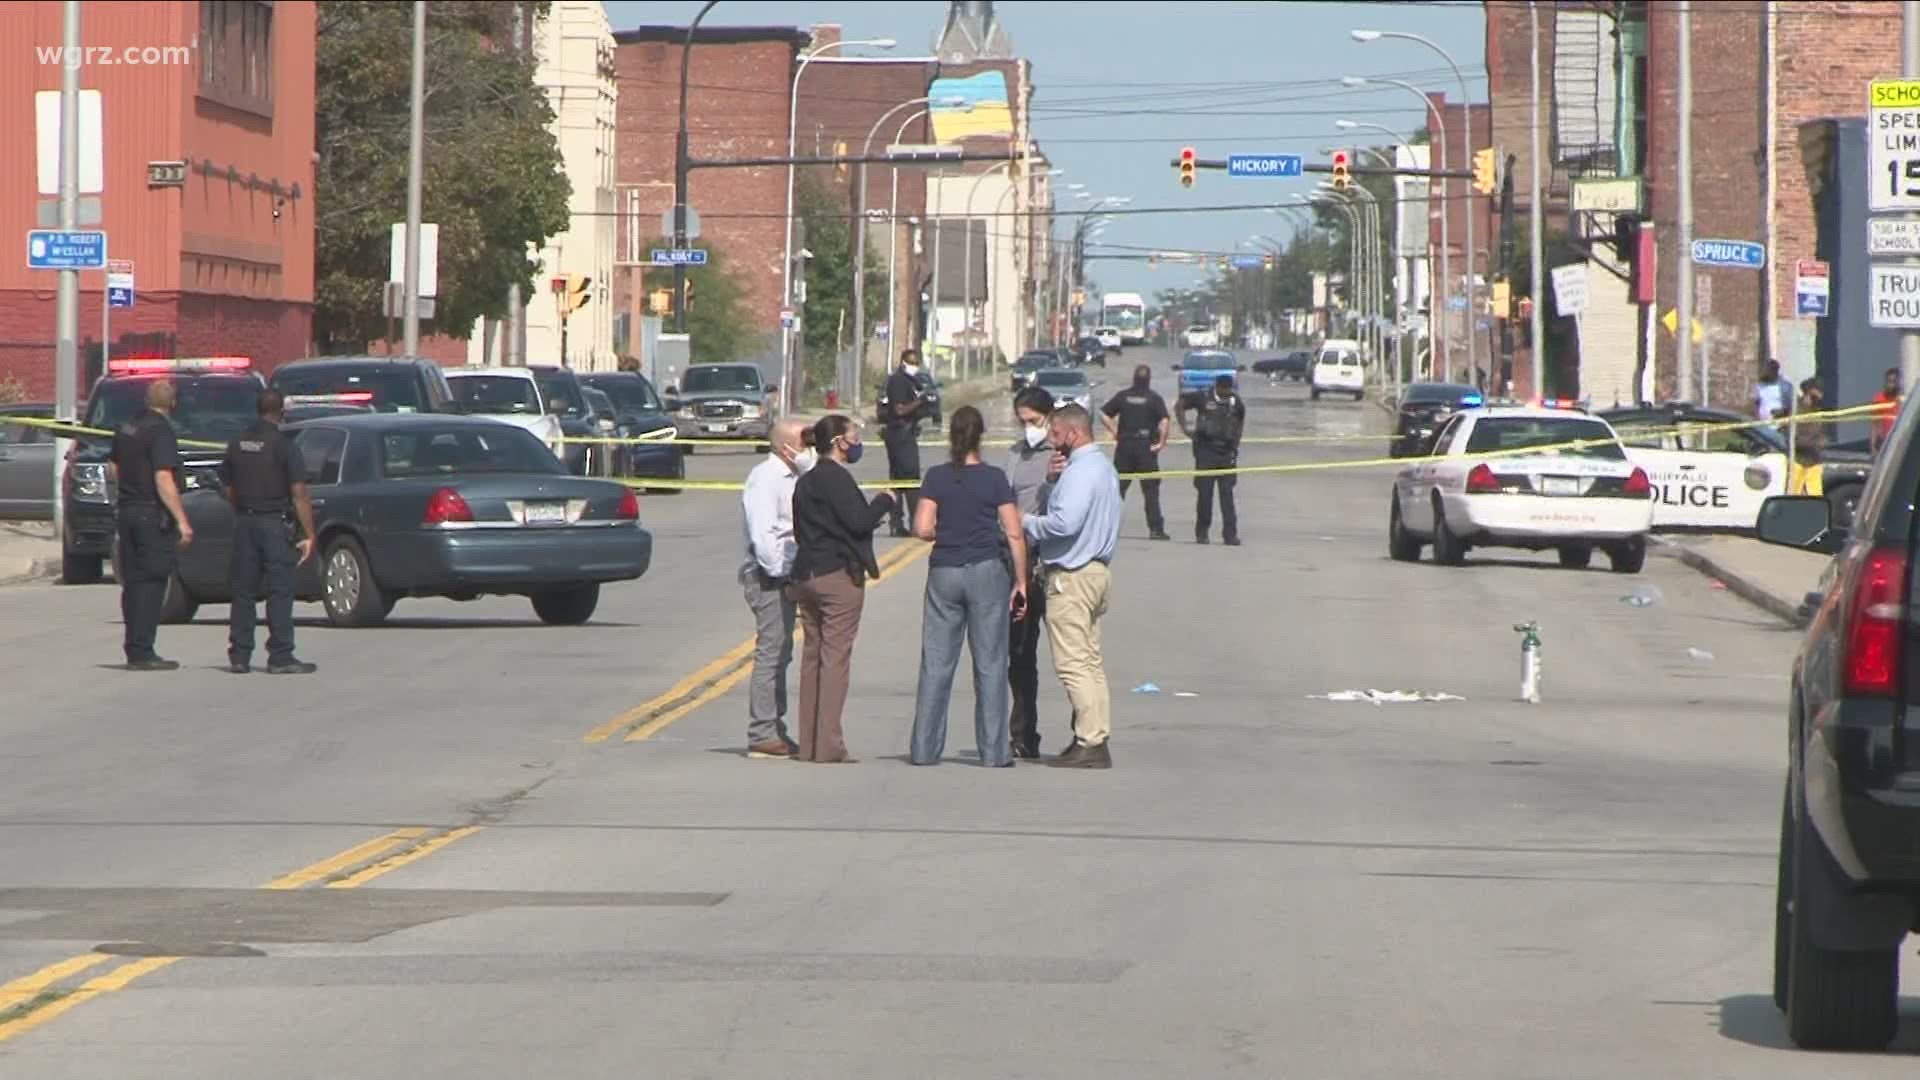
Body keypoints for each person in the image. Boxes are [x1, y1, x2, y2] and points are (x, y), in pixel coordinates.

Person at [908, 406, 1028, 767]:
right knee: (991, 662)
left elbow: (921, 527)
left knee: (937, 662)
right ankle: (993, 751)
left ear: (951, 437)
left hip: (945, 570)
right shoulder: (994, 479)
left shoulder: (937, 477)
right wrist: (1021, 580)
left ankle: (925, 749)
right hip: (986, 570)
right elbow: (1013, 532)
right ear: (982, 436)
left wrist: (944, 530)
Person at [787, 415, 896, 764]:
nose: (858, 440)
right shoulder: (837, 479)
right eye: (854, 435)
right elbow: (859, 521)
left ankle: (809, 744)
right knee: (835, 660)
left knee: (812, 659)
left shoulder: (806, 481)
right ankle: (829, 745)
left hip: (806, 574)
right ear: (839, 441)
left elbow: (800, 531)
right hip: (836, 576)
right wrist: (884, 501)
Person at [1022, 403, 1121, 769]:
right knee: (1090, 660)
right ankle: (1094, 733)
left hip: (1073, 575)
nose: (1053, 441)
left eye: (1057, 434)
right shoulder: (1101, 468)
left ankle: (1091, 741)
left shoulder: (1082, 472)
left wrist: (1026, 522)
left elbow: (1064, 523)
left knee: (1073, 663)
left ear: (1075, 432)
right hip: (1095, 572)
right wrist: (1050, 483)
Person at [222, 389, 318, 675]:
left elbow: (227, 486)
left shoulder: (238, 442)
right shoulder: (283, 445)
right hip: (273, 523)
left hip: (245, 523)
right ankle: (280, 655)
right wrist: (309, 533)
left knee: (243, 591)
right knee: (280, 590)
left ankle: (239, 655)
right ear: (281, 413)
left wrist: (242, 506)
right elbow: (299, 493)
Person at [738, 417, 813, 759]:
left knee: (783, 653)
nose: (810, 446)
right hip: (768, 576)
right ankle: (762, 732)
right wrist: (779, 573)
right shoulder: (766, 478)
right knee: (771, 653)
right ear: (786, 447)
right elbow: (764, 534)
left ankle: (775, 727)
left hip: (787, 573)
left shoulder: (796, 476)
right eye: (805, 440)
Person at [110, 379, 194, 671]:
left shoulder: (127, 426)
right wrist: (182, 521)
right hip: (149, 513)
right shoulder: (161, 431)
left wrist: (129, 487)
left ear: (146, 400)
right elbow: (163, 478)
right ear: (172, 404)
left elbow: (114, 466)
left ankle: (134, 647)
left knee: (132, 582)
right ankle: (144, 650)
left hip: (128, 511)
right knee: (152, 581)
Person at [1005, 386, 1056, 759]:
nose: (1028, 429)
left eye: (1034, 421)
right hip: (1014, 560)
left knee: (1066, 656)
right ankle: (1022, 733)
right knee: (1017, 654)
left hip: (1048, 561)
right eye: (1023, 422)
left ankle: (1083, 735)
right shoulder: (1014, 455)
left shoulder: (1061, 457)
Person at [1100, 364, 1172, 541]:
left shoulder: (1123, 396)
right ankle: (1155, 530)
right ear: (1148, 380)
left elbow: (1104, 413)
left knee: (1117, 490)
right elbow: (1164, 420)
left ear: (1134, 378)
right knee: (1150, 491)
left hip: (1125, 446)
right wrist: (1161, 443)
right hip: (1145, 447)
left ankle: (1107, 529)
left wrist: (1115, 431)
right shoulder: (1154, 398)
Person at [1175, 374, 1247, 546]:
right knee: (1205, 494)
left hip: (1226, 454)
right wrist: (1185, 429)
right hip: (1205, 452)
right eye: (1224, 391)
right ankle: (1202, 533)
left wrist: (1235, 447)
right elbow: (1180, 405)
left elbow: (1240, 422)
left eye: (1229, 392)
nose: (1227, 394)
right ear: (1218, 387)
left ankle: (1230, 535)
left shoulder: (1236, 402)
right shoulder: (1203, 397)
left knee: (1227, 496)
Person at [880, 348, 928, 537]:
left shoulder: (910, 380)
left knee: (899, 480)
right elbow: (899, 409)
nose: (915, 367)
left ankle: (897, 522)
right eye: (912, 363)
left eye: (917, 363)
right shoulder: (898, 381)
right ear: (903, 363)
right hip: (900, 433)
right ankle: (914, 521)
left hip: (904, 432)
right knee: (910, 478)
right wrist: (919, 402)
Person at [1789, 378, 1825, 497]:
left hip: (1814, 461)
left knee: (1815, 497)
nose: (1820, 395)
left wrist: (1821, 442)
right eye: (1817, 390)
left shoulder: (1818, 411)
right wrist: (1812, 443)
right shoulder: (1796, 410)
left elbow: (1819, 434)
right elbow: (1792, 438)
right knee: (1794, 495)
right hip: (1798, 461)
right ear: (1808, 391)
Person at [1871, 366, 1903, 455]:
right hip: (1884, 442)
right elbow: (1875, 424)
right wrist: (1873, 446)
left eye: (1893, 382)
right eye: (1888, 382)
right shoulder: (1879, 399)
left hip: (1899, 441)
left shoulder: (1902, 399)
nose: (1890, 385)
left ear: (1898, 383)